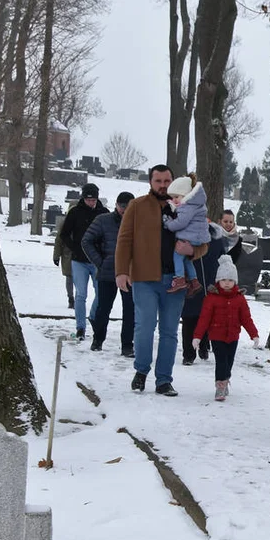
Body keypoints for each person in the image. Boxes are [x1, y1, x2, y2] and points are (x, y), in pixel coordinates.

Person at [116, 164, 208, 396]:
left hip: (175, 281)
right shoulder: (137, 206)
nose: (163, 185)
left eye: (167, 181)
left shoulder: (187, 204)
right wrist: (121, 271)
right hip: (144, 278)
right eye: (158, 181)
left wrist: (192, 251)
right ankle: (141, 372)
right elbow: (124, 240)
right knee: (144, 328)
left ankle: (164, 380)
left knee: (169, 332)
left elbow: (203, 241)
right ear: (150, 182)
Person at [193, 255, 260, 401]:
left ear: (235, 281)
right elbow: (204, 319)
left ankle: (225, 379)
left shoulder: (239, 298)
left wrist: (254, 334)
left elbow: (246, 318)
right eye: (224, 280)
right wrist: (197, 336)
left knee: (229, 361)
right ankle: (220, 386)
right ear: (218, 281)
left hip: (233, 335)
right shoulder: (211, 298)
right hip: (217, 335)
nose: (227, 283)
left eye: (230, 280)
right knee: (221, 360)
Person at [81, 191, 135, 355]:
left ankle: (127, 344)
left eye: (129, 207)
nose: (125, 210)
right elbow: (86, 241)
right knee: (103, 308)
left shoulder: (138, 223)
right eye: (122, 206)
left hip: (129, 272)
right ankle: (98, 339)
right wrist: (100, 262)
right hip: (108, 272)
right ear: (117, 205)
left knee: (130, 310)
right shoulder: (103, 220)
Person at [59, 183, 108, 339]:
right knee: (81, 294)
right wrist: (74, 248)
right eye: (88, 200)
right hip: (78, 260)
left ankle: (93, 317)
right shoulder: (75, 213)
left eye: (93, 200)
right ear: (83, 198)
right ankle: (80, 327)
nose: (91, 203)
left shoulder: (104, 213)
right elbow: (64, 233)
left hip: (97, 261)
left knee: (101, 293)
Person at [180, 219, 228, 365]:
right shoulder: (186, 236)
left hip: (211, 282)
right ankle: (188, 353)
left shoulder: (217, 239)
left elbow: (223, 259)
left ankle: (204, 346)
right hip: (192, 283)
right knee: (189, 319)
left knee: (207, 317)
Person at [162, 174, 210, 296]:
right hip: (196, 237)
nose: (174, 200)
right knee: (187, 260)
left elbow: (180, 223)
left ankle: (179, 279)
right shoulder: (195, 204)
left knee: (177, 255)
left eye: (176, 197)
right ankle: (194, 280)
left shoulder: (188, 207)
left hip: (190, 237)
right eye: (172, 198)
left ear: (186, 195)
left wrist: (168, 223)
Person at [52, 224, 75, 310]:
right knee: (69, 277)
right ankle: (71, 298)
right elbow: (59, 240)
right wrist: (56, 256)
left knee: (79, 279)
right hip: (68, 254)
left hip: (79, 254)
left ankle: (78, 299)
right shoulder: (65, 224)